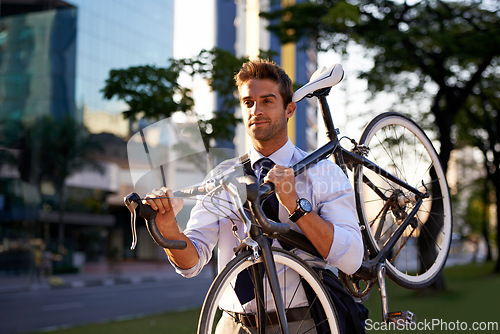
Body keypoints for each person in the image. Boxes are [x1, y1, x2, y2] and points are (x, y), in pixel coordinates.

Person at [144, 59, 363, 333]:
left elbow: (352, 258)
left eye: (267, 101)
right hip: (233, 325)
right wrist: (168, 231)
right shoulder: (221, 176)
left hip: (301, 323)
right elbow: (192, 262)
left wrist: (296, 206)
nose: (256, 110)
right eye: (248, 102)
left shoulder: (323, 173)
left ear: (289, 109)